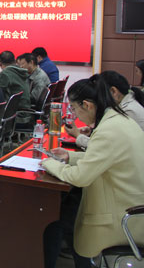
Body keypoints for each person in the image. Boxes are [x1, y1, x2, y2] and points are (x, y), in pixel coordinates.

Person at [41, 76, 144, 268]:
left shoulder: (108, 130)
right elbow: (106, 158)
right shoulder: (120, 119)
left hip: (123, 215)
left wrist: (49, 163)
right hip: (130, 204)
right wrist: (70, 157)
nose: (74, 115)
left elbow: (80, 177)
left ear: (87, 105)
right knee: (66, 214)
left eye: (74, 109)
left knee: (62, 218)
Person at [66, 70, 144, 148]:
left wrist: (78, 136)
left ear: (113, 91)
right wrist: (92, 132)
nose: (98, 98)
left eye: (101, 94)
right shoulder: (125, 104)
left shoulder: (127, 111)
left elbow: (103, 147)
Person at [0, 51, 31, 125]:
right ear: (15, 60)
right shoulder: (21, 71)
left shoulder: (4, 74)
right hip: (26, 112)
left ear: (0, 63)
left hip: (16, 115)